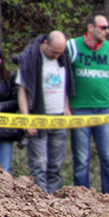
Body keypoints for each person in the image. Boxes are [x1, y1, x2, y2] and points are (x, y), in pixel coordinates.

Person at [67, 12, 109, 196]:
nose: (107, 31)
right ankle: (81, 198)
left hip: (104, 109)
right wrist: (66, 107)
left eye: (108, 27)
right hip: (79, 109)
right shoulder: (72, 47)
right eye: (103, 27)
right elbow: (64, 79)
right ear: (90, 27)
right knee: (82, 158)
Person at [14, 32, 74, 194]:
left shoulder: (63, 59)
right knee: (39, 164)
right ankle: (41, 203)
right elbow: (22, 91)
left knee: (55, 166)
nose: (57, 55)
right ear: (46, 43)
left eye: (60, 52)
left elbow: (66, 86)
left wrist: (66, 107)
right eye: (54, 51)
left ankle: (53, 203)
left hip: (58, 117)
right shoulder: (30, 60)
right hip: (37, 116)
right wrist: (26, 119)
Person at [0, 42, 22, 174]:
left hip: (3, 129)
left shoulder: (9, 77)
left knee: (4, 170)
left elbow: (16, 102)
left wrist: (0, 106)